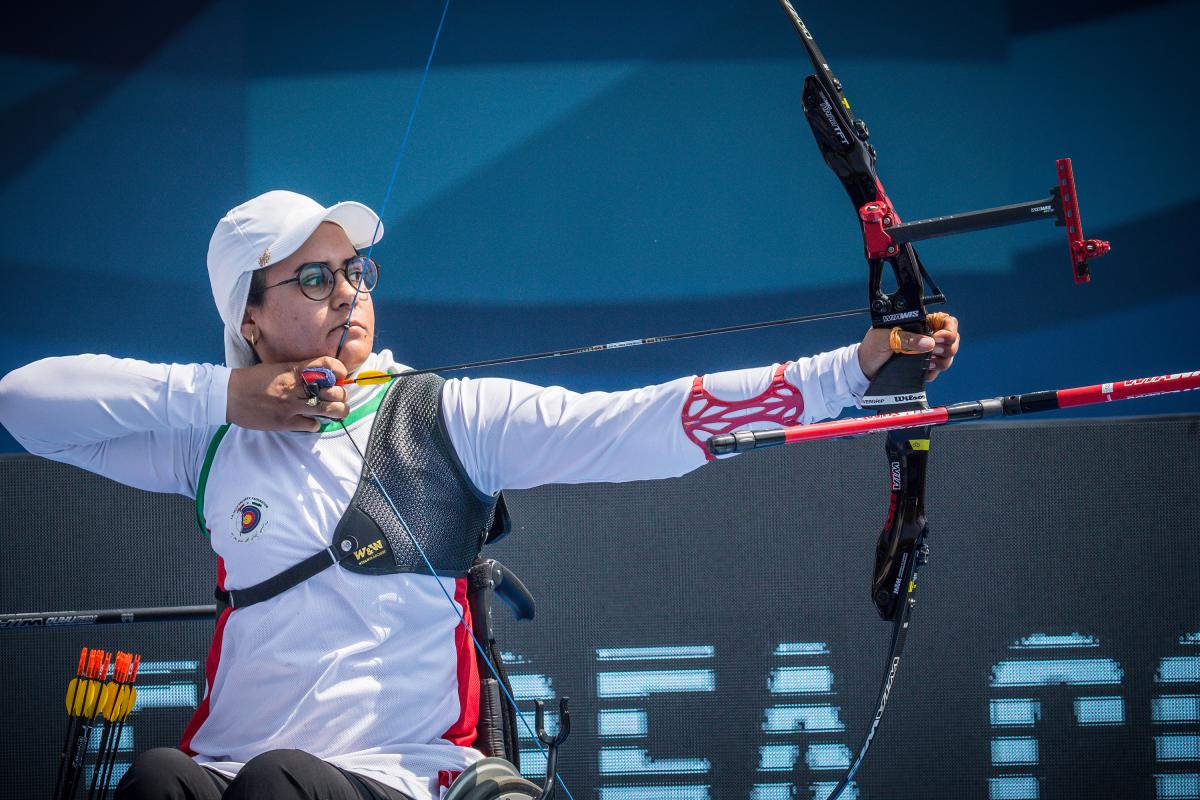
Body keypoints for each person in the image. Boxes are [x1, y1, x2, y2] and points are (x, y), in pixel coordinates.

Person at [0, 190, 959, 800]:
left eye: (356, 272)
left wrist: (854, 367)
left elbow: (643, 424)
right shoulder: (210, 440)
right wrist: (227, 397)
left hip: (401, 775)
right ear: (249, 317)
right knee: (160, 780)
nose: (348, 293)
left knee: (279, 789)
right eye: (315, 276)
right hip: (224, 762)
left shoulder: (443, 410)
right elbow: (26, 404)